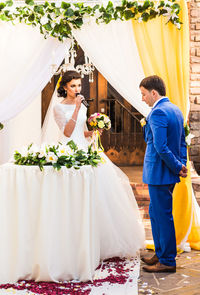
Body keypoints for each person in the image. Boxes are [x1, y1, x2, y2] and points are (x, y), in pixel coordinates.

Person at [53, 70, 145, 262]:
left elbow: (82, 131)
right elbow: (68, 133)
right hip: (69, 151)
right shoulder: (59, 108)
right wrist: (77, 109)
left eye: (79, 85)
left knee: (98, 193)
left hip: (86, 149)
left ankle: (98, 240)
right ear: (64, 87)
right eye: (73, 86)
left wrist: (94, 131)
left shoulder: (83, 106)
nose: (77, 89)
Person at [139, 75, 187, 273]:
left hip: (160, 173)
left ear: (153, 92)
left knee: (163, 216)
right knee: (156, 214)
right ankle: (160, 253)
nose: (142, 98)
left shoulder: (158, 112)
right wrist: (182, 164)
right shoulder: (175, 109)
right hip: (168, 172)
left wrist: (177, 167)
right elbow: (182, 142)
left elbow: (160, 146)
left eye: (143, 94)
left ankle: (167, 260)